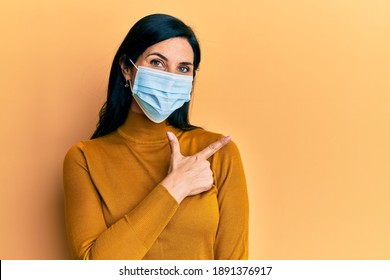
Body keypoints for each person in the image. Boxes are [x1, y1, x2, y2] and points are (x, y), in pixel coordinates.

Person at [63, 13, 248, 260]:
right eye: (157, 63)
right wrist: (175, 186)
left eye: (183, 68)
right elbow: (96, 267)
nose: (171, 77)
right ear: (127, 68)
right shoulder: (84, 158)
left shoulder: (217, 152)